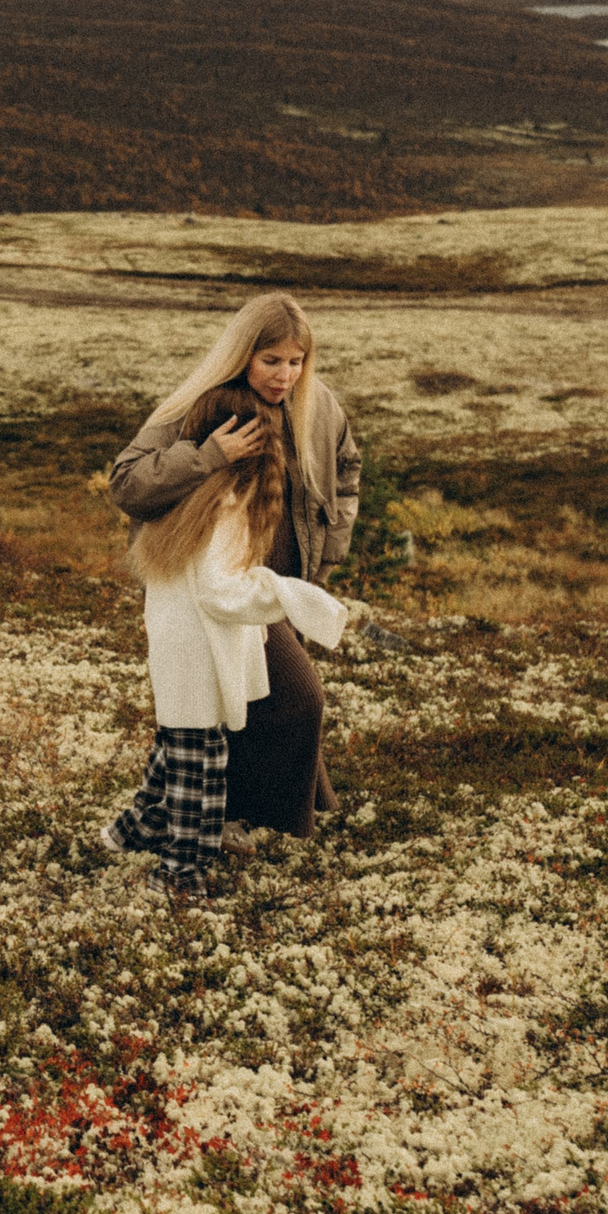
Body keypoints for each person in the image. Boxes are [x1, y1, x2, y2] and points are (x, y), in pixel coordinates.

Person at [109, 292, 361, 843]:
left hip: (282, 581)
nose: (285, 375)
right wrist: (207, 458)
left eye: (296, 361)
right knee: (296, 698)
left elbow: (347, 466)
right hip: (221, 583)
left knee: (232, 701)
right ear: (243, 353)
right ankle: (279, 826)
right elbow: (126, 483)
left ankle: (158, 824)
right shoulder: (201, 405)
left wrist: (331, 545)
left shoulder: (318, 406)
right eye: (271, 361)